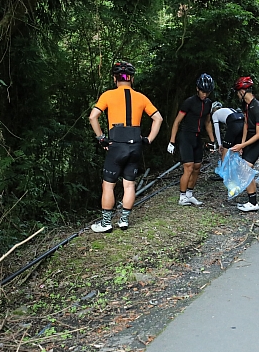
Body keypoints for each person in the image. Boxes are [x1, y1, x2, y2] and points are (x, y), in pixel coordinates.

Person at [89, 61, 163, 233]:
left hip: (116, 143)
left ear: (115, 78)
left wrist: (101, 138)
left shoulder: (108, 95)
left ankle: (106, 223)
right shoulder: (142, 97)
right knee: (129, 184)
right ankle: (124, 221)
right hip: (135, 144)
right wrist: (148, 139)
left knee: (109, 185)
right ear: (132, 79)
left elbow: (93, 117)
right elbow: (158, 118)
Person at [168, 73, 216, 206]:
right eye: (202, 91)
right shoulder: (189, 102)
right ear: (197, 89)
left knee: (197, 167)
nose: (204, 95)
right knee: (188, 167)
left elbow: (207, 122)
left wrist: (212, 141)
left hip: (197, 137)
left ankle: (190, 194)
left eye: (207, 92)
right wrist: (172, 141)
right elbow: (177, 121)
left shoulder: (208, 103)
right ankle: (182, 196)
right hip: (185, 136)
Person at [230, 76, 259, 212]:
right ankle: (252, 201)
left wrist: (242, 146)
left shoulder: (257, 107)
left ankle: (253, 203)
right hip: (250, 139)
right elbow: (246, 124)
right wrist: (242, 143)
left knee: (245, 168)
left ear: (242, 91)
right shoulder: (246, 105)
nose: (237, 95)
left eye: (238, 91)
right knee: (243, 169)